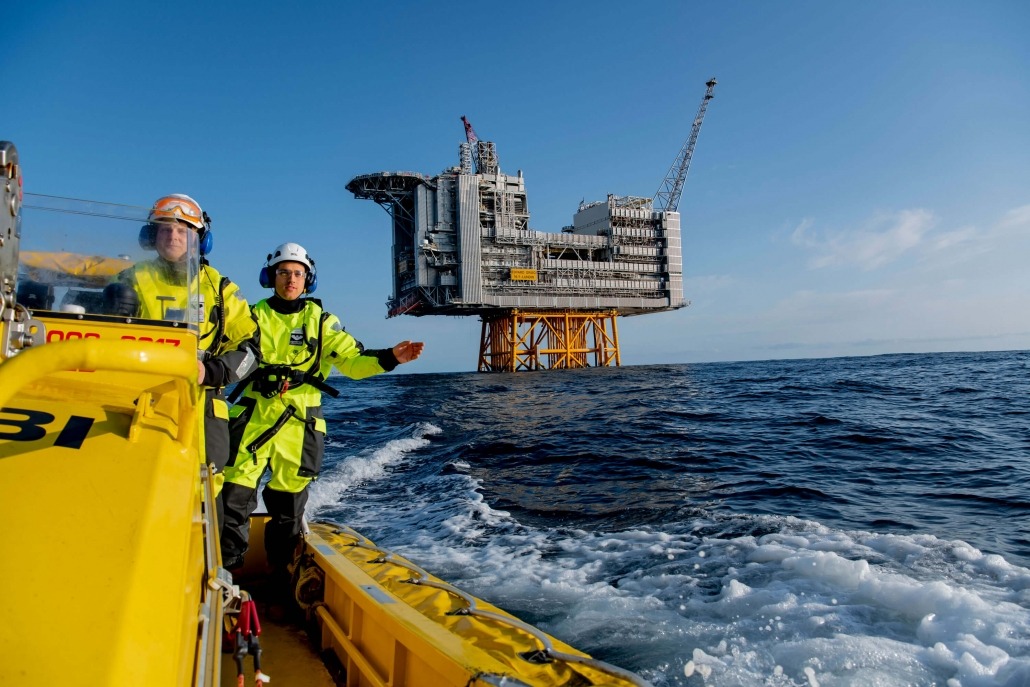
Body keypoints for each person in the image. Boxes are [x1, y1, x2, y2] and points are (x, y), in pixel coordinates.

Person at [220, 242, 424, 574]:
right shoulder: (251, 317)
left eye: (298, 274)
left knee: (288, 511)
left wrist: (390, 358)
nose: (291, 279)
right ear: (270, 277)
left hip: (299, 426)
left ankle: (280, 578)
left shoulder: (322, 322)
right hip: (251, 419)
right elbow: (227, 353)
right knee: (233, 500)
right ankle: (227, 577)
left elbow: (353, 362)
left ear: (308, 280)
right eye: (283, 272)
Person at [117, 194, 260, 527]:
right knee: (138, 481)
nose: (174, 236)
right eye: (165, 229)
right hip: (140, 400)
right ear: (151, 236)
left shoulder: (221, 290)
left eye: (183, 230)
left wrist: (211, 371)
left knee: (207, 491)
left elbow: (252, 349)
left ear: (200, 239)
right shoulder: (130, 279)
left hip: (204, 406)